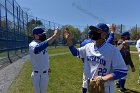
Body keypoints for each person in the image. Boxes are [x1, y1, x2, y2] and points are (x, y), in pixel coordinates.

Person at [64, 23, 128, 93]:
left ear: (104, 34)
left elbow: (122, 71)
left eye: (97, 31)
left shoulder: (112, 50)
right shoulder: (88, 46)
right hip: (90, 85)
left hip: (106, 88)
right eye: (93, 30)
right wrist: (69, 40)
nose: (93, 32)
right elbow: (75, 52)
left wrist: (103, 78)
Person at [81, 24, 116, 93]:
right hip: (97, 68)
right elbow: (109, 41)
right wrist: (112, 32)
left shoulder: (83, 42)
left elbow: (80, 55)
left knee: (85, 83)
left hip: (87, 65)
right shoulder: (97, 42)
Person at [29, 27, 59, 93]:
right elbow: (37, 49)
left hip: (45, 74)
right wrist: (54, 36)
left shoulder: (42, 43)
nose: (43, 35)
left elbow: (44, 57)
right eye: (41, 34)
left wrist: (47, 67)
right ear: (35, 35)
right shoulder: (32, 44)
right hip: (37, 76)